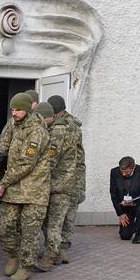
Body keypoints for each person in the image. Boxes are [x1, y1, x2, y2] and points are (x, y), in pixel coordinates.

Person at [0, 93, 50, 280]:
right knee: (5, 227)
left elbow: (26, 163)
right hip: (14, 190)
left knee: (30, 232)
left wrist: (3, 182)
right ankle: (13, 254)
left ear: (28, 109)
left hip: (34, 191)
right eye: (12, 109)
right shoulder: (16, 125)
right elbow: (3, 148)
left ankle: (26, 265)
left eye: (17, 110)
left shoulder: (37, 131)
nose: (14, 113)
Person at [37, 103, 79, 270]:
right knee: (47, 222)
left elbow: (50, 160)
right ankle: (54, 251)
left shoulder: (58, 132)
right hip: (51, 184)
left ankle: (49, 257)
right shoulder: (53, 128)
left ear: (47, 117)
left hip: (60, 186)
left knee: (54, 223)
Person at [48, 95, 86, 262]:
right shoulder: (74, 125)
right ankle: (61, 248)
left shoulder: (62, 128)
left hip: (65, 176)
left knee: (61, 214)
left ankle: (58, 249)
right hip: (75, 175)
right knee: (68, 214)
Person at [109, 156, 140, 243]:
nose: (123, 174)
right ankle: (132, 225)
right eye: (122, 171)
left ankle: (138, 233)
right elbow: (113, 194)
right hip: (124, 205)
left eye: (126, 172)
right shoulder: (114, 172)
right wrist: (120, 213)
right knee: (125, 236)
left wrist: (132, 203)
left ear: (133, 167)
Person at [0, 89, 39, 155]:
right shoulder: (13, 120)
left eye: (32, 102)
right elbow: (3, 143)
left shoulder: (40, 121)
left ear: (36, 104)